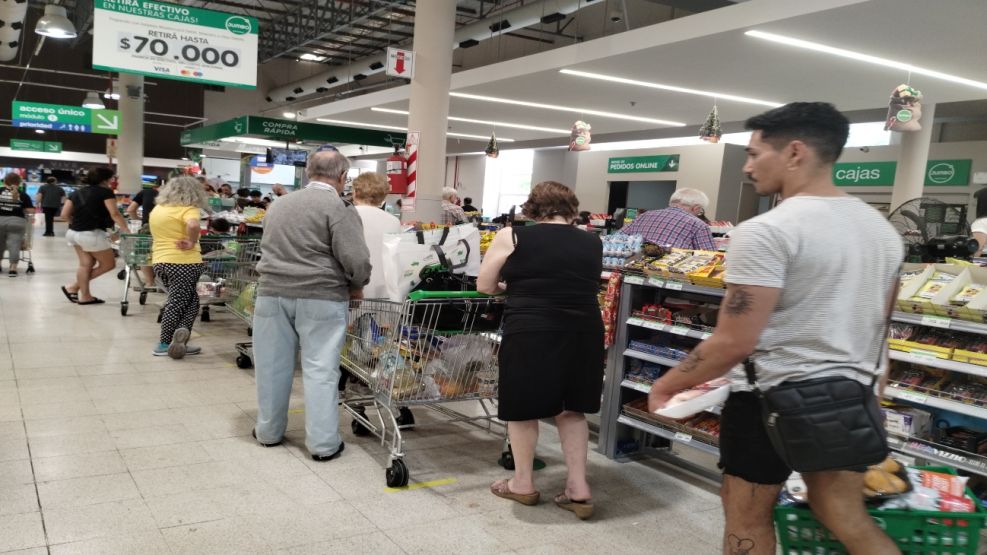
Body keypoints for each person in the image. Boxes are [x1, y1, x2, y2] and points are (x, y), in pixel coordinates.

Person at [647, 102, 902, 555]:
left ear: (795, 152)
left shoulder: (767, 230)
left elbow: (734, 339)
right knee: (843, 514)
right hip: (849, 395)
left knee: (746, 517)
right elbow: (880, 324)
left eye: (754, 153)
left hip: (770, 399)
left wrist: (668, 384)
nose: (747, 167)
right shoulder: (880, 230)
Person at [477, 181, 604, 520]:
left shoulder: (512, 236)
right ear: (572, 209)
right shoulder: (594, 241)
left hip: (532, 327)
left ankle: (522, 484)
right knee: (572, 408)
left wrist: (513, 287)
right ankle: (578, 487)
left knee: (523, 408)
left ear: (531, 208)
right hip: (585, 330)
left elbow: (485, 285)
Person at [252, 148, 371, 461]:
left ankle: (268, 432)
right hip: (321, 296)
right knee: (320, 369)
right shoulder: (338, 206)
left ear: (307, 172)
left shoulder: (278, 204)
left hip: (271, 293)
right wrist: (357, 284)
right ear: (343, 177)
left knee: (271, 366)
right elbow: (356, 258)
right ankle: (322, 444)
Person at [149, 177, 207, 358]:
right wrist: (191, 240)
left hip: (160, 261)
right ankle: (164, 343)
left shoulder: (158, 209)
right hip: (183, 262)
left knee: (191, 302)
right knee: (178, 302)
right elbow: (193, 224)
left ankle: (180, 340)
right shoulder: (189, 209)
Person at [62, 167, 129, 304]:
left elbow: (64, 215)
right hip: (92, 235)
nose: (113, 180)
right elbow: (114, 214)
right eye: (112, 178)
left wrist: (78, 224)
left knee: (85, 264)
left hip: (72, 233)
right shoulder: (106, 192)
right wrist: (125, 228)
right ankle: (74, 287)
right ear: (106, 179)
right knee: (108, 264)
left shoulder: (77, 192)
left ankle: (85, 296)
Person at [352, 172, 400, 299]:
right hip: (384, 289)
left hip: (353, 287)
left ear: (356, 192)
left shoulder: (346, 215)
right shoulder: (394, 221)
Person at [618, 188, 716, 249]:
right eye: (700, 211)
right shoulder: (698, 224)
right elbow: (710, 257)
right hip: (672, 275)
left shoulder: (644, 215)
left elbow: (617, 238)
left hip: (633, 268)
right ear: (696, 208)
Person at [0, 173, 35, 276]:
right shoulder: (23, 194)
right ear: (19, 182)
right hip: (17, 223)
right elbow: (31, 211)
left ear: (4, 181)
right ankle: (13, 268)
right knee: (14, 245)